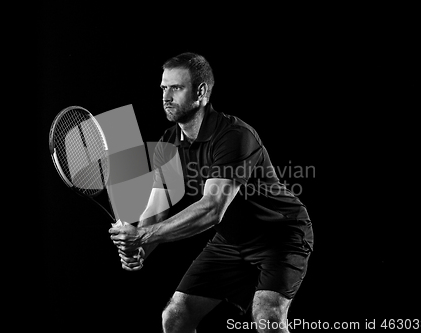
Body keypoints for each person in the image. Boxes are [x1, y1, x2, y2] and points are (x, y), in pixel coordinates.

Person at [109, 52, 313, 333]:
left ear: (201, 92)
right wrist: (140, 248)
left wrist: (142, 235)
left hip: (279, 234)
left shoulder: (233, 135)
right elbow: (157, 208)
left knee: (268, 317)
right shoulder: (168, 143)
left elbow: (212, 209)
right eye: (163, 88)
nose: (166, 96)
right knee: (176, 317)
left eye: (176, 88)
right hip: (233, 240)